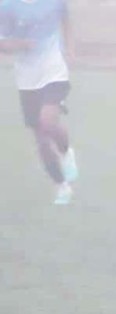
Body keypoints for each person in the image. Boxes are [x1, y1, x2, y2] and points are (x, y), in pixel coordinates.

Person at [0, 0, 78, 205]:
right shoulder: (7, 6)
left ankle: (66, 150)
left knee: (47, 122)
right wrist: (18, 44)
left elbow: (66, 19)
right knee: (41, 138)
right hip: (27, 79)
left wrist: (70, 48)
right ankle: (61, 185)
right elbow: (2, 42)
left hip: (54, 70)